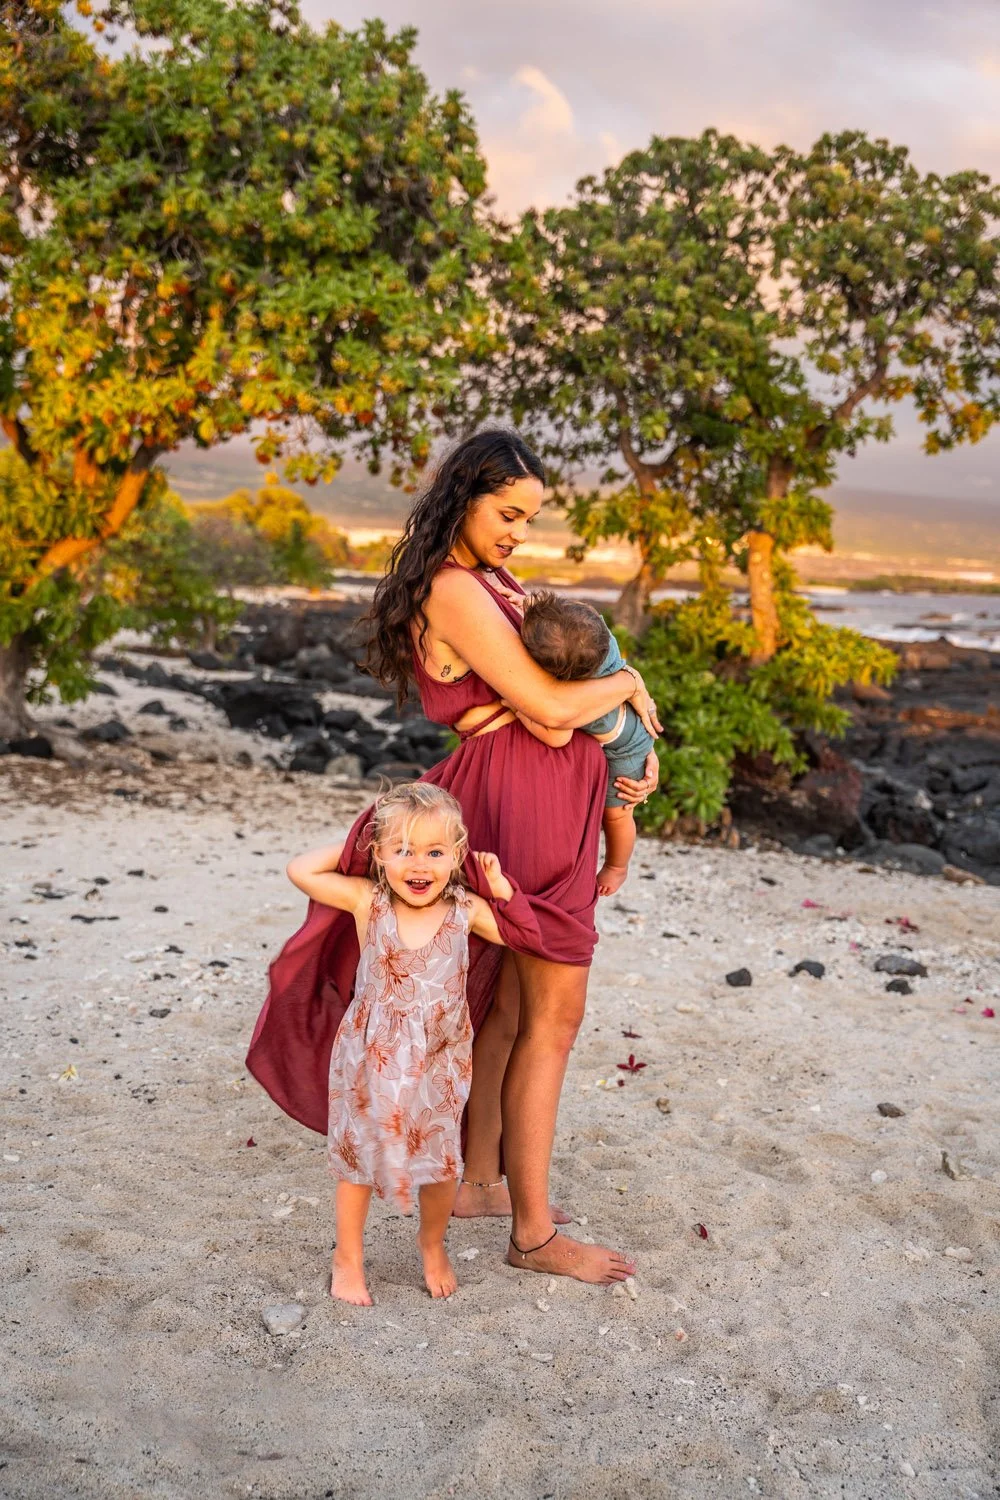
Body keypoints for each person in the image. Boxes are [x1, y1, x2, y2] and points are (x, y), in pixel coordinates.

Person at [247, 428, 661, 1286]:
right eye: (507, 512)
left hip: (541, 794)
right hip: (522, 796)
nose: (518, 531)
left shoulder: (495, 581)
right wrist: (626, 691)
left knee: (510, 1011)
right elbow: (548, 707)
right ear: (464, 496)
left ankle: (479, 1183)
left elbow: (553, 705)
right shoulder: (454, 587)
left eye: (529, 518)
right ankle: (536, 1236)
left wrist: (622, 755)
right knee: (554, 1016)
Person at [285, 783, 515, 1306]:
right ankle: (348, 1257)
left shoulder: (467, 909)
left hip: (439, 1059)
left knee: (440, 1162)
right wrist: (357, 839)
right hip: (370, 1057)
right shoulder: (369, 900)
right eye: (403, 850)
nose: (419, 865)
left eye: (435, 852)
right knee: (359, 1159)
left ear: (456, 856)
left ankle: (432, 1245)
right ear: (379, 854)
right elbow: (302, 869)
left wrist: (499, 888)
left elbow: (519, 933)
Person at [508, 591, 655, 897]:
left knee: (617, 813)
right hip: (632, 722)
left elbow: (556, 734)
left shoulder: (578, 699)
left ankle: (617, 865)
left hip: (626, 750)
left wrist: (519, 708)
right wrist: (527, 602)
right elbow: (569, 618)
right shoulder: (599, 635)